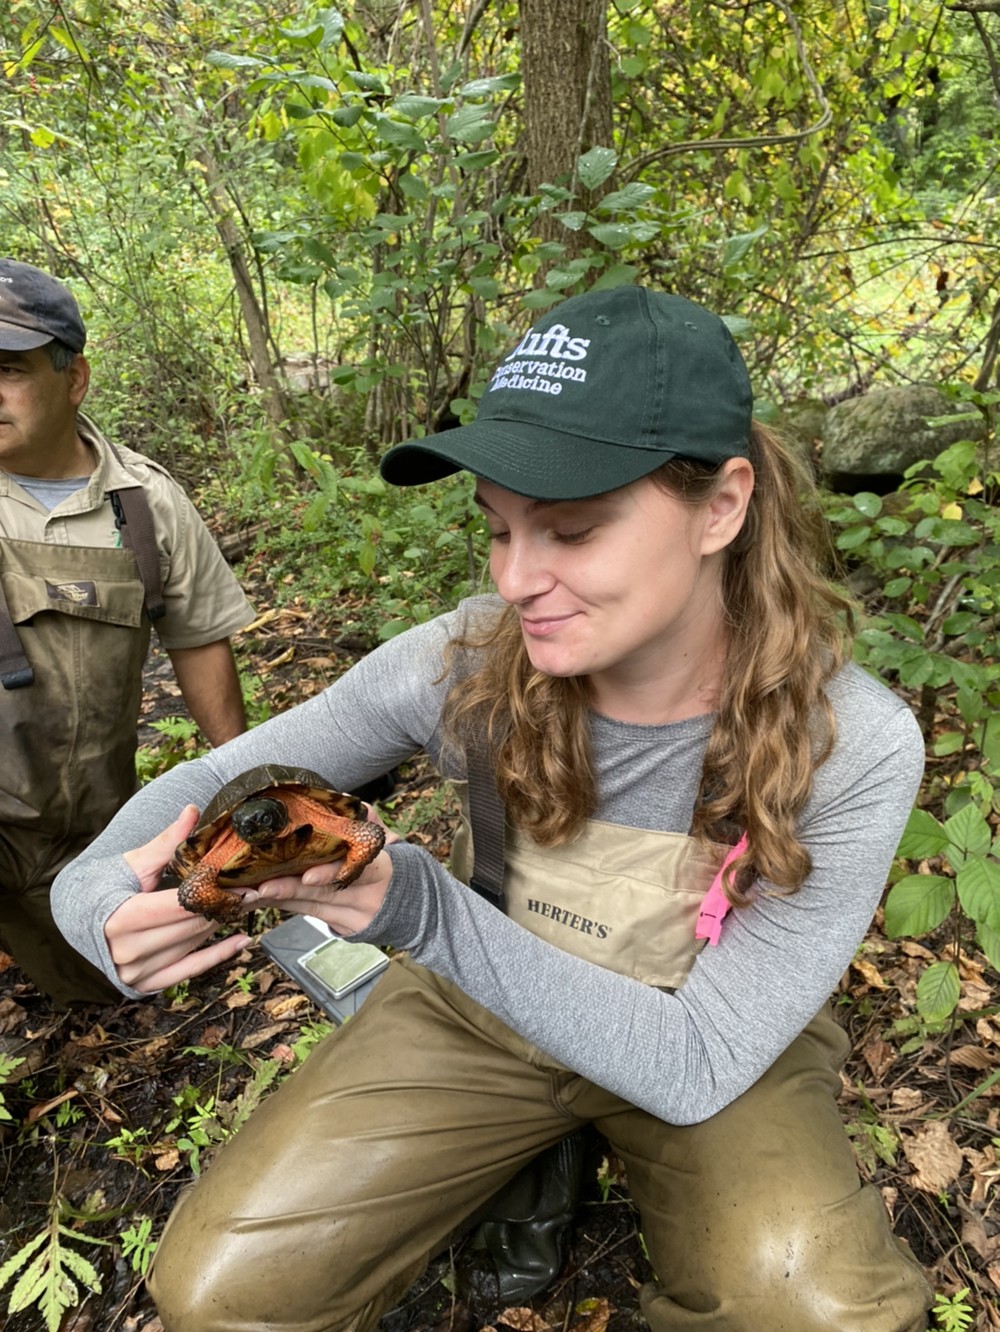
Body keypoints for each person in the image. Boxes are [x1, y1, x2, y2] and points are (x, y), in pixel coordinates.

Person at [52, 285, 933, 1330]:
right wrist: (94, 898)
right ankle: (531, 1151)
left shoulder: (851, 742)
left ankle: (581, 1167)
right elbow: (217, 779)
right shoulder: (466, 661)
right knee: (220, 1293)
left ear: (722, 507)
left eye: (570, 531)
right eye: (498, 528)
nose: (517, 578)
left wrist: (419, 912)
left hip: (708, 1030)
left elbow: (699, 1061)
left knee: (814, 1311)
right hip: (479, 1008)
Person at [0, 258, 253, 1007]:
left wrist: (240, 797)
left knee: (101, 993)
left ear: (73, 378)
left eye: (8, 369)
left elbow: (201, 642)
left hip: (88, 827)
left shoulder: (145, 507)